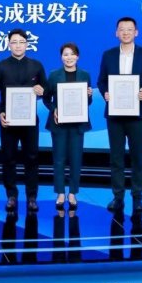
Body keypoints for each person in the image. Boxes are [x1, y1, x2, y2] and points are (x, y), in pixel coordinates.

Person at [97, 17, 142, 213]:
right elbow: (101, 81)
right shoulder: (108, 55)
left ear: (136, 32)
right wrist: (105, 93)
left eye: (129, 29)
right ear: (116, 33)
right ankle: (118, 197)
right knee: (116, 157)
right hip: (114, 114)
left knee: (137, 156)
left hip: (137, 113)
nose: (125, 32)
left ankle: (137, 197)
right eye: (122, 29)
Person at [0, 28, 47, 213]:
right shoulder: (0, 66)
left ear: (27, 44)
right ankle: (11, 195)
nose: (18, 46)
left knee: (32, 157)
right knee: (9, 158)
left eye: (21, 42)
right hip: (8, 121)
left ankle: (32, 197)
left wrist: (42, 91)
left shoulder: (36, 65)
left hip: (30, 121)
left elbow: (45, 90)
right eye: (14, 42)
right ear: (8, 45)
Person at [43, 42, 93, 210]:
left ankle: (72, 192)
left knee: (76, 159)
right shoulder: (54, 75)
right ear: (61, 57)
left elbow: (88, 102)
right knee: (59, 159)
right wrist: (54, 109)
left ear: (77, 56)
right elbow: (46, 98)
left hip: (78, 123)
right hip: (59, 123)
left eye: (72, 54)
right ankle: (60, 192)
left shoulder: (85, 75)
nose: (69, 57)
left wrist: (89, 95)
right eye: (65, 54)